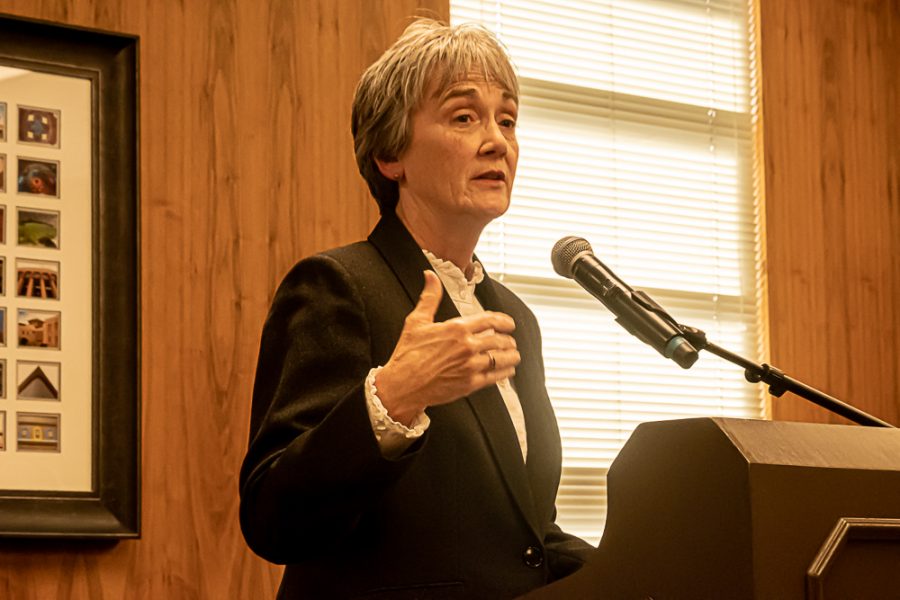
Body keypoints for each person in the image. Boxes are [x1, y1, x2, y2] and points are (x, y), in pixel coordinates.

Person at [239, 18, 595, 599]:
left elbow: (527, 538)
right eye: (464, 117)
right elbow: (272, 517)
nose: (497, 141)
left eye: (507, 119)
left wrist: (657, 569)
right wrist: (393, 398)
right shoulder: (338, 286)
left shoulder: (512, 317)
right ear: (389, 154)